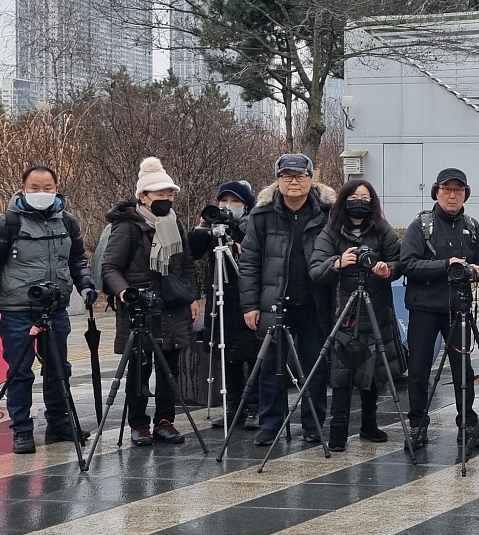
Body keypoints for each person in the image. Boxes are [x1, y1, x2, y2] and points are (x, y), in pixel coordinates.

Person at [0, 165, 98, 454]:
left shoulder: (67, 221)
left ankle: (59, 423)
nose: (41, 193)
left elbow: (77, 259)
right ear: (23, 189)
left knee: (59, 368)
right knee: (20, 372)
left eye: (48, 188)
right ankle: (22, 430)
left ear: (57, 189)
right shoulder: (5, 223)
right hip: (17, 310)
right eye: (35, 188)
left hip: (55, 308)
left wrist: (86, 284)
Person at [239, 153, 336, 447]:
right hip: (274, 302)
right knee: (271, 367)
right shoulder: (262, 215)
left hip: (315, 302)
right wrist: (250, 305)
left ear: (310, 179)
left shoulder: (328, 214)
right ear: (278, 180)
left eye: (300, 176)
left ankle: (313, 423)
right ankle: (270, 424)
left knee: (315, 365)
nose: (294, 182)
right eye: (287, 176)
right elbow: (249, 263)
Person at [102, 157, 200, 447]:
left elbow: (186, 264)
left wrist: (192, 296)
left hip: (172, 305)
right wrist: (124, 293)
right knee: (139, 369)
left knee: (170, 368)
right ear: (143, 196)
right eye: (160, 194)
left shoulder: (174, 223)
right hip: (140, 308)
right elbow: (110, 267)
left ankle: (165, 421)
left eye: (169, 194)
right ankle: (139, 423)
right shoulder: (127, 226)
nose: (166, 199)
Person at [398, 167, 479, 453]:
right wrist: (445, 265)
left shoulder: (472, 226)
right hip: (424, 307)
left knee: (464, 369)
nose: (452, 195)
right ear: (436, 192)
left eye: (458, 190)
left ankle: (468, 424)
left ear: (465, 194)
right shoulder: (421, 225)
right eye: (447, 190)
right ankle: (417, 424)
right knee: (418, 369)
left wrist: (476, 271)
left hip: (459, 307)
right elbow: (407, 264)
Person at [309, 180, 401, 452]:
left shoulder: (383, 230)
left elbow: (399, 262)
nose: (359, 202)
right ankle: (338, 430)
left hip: (376, 311)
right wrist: (337, 263)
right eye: (354, 197)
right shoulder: (331, 232)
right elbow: (315, 271)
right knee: (341, 374)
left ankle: (369, 424)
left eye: (365, 197)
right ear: (344, 200)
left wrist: (386, 270)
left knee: (372, 373)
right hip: (344, 313)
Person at [187, 181, 258, 430]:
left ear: (246, 205)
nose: (228, 206)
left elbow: (261, 256)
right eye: (223, 201)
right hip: (220, 298)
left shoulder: (254, 226)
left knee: (252, 352)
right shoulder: (215, 229)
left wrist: (240, 249)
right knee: (227, 353)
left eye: (235, 201)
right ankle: (234, 405)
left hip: (246, 297)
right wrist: (202, 227)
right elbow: (192, 252)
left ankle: (255, 406)